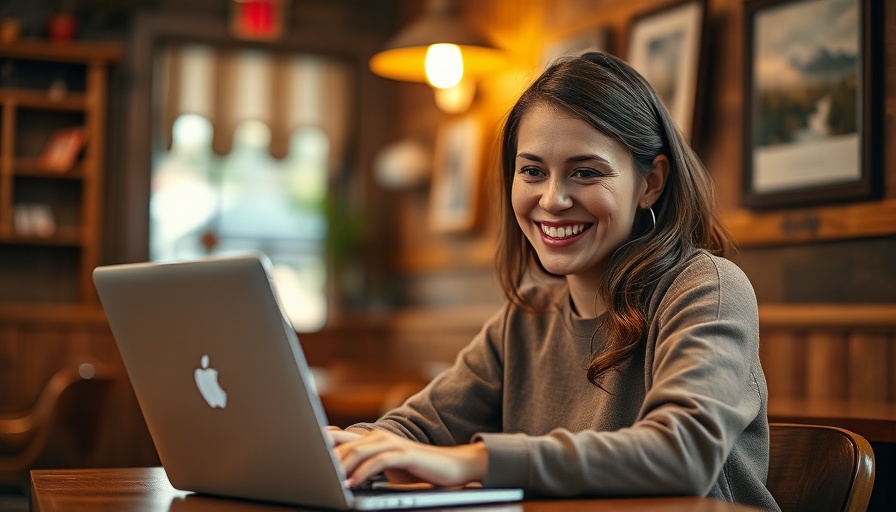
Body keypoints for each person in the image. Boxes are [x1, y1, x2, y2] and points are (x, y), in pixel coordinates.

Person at [329, 51, 779, 511]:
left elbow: (682, 454)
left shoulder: (707, 288)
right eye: (532, 171)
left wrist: (476, 461)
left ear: (651, 182)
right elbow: (420, 427)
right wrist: (344, 446)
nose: (553, 198)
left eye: (585, 172)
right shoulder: (527, 317)